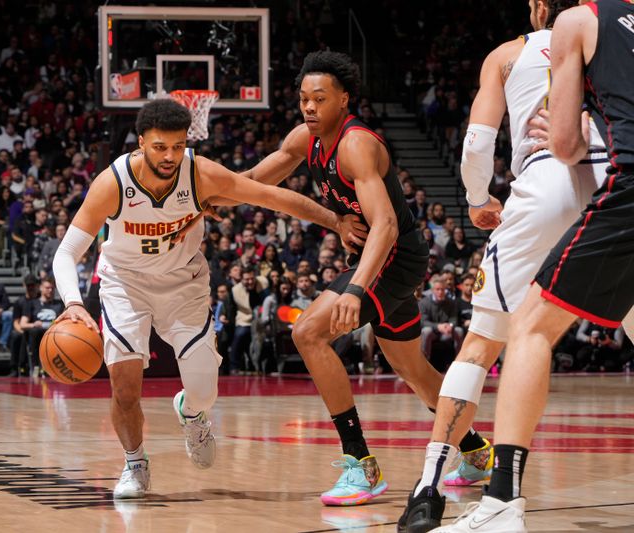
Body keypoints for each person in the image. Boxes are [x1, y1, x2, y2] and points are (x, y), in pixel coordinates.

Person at [52, 98, 365, 500]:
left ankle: (192, 412)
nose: (169, 156)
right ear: (142, 142)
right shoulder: (113, 183)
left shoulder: (199, 174)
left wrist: (334, 220)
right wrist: (75, 304)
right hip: (125, 286)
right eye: (160, 146)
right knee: (125, 389)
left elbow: (271, 197)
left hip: (184, 285)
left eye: (178, 146)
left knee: (204, 389)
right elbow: (66, 252)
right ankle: (135, 464)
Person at [238, 50, 490, 507]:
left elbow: (387, 225)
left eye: (319, 99)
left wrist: (356, 289)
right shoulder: (305, 139)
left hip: (394, 258)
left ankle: (361, 465)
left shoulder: (357, 145)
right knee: (412, 369)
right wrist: (211, 193)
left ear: (344, 100)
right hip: (379, 260)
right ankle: (475, 450)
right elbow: (255, 179)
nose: (310, 107)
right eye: (303, 99)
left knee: (308, 332)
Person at [425, 1, 633, 532]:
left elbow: (484, 144)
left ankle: (473, 494)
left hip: (561, 183)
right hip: (608, 173)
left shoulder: (538, 41)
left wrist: (476, 199)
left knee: (514, 332)